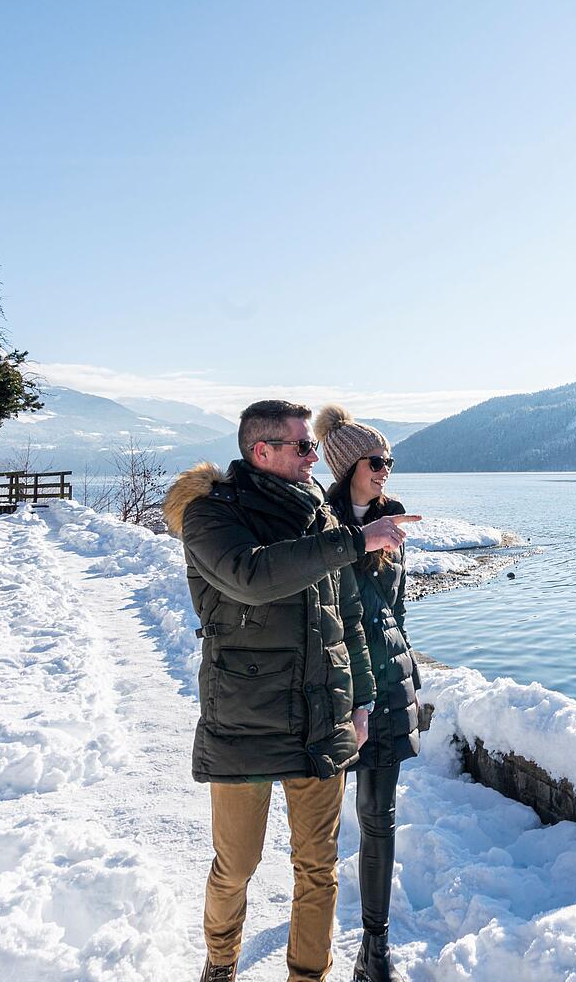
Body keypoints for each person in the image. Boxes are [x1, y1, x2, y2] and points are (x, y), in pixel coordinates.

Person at [163, 399, 418, 982]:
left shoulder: (317, 515)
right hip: (246, 720)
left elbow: (347, 616)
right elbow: (251, 577)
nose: (314, 457)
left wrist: (361, 699)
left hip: (320, 716)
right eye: (304, 447)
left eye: (312, 446)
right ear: (262, 451)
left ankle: (309, 975)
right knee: (236, 865)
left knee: (319, 867)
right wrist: (355, 541)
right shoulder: (211, 514)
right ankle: (221, 965)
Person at [315, 404, 424, 982]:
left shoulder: (395, 519)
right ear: (347, 465)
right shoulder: (316, 522)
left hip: (386, 685)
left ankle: (375, 950)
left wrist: (405, 667)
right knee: (320, 826)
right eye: (376, 461)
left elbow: (396, 606)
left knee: (378, 817)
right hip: (333, 688)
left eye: (389, 461)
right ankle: (311, 942)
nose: (385, 470)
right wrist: (361, 540)